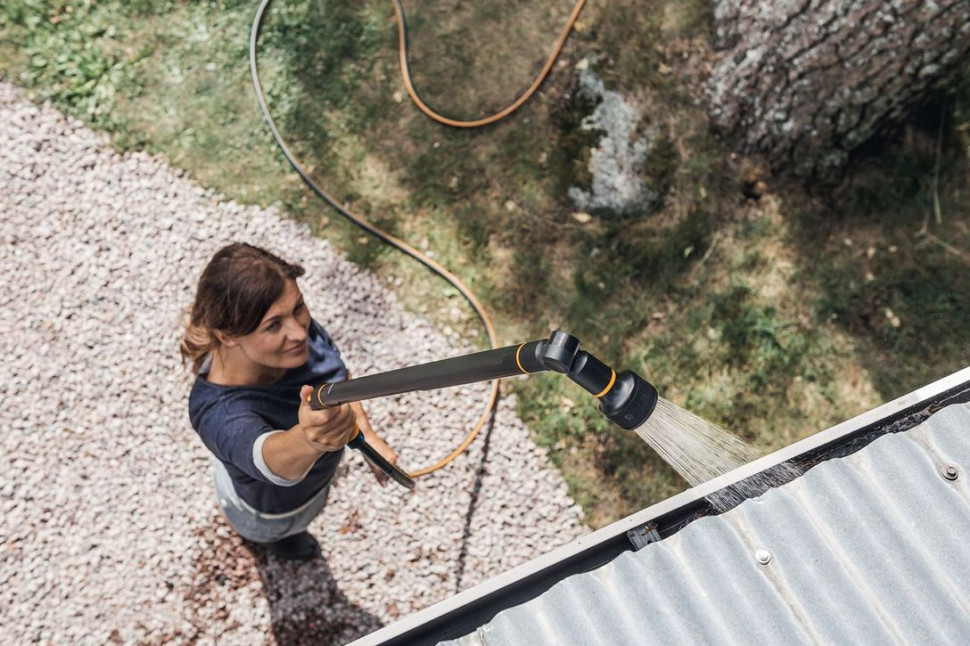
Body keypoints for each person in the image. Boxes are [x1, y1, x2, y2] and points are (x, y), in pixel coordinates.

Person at [181, 242, 398, 560]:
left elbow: (336, 375)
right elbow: (268, 458)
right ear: (227, 337)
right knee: (277, 534)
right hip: (271, 514)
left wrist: (366, 433)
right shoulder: (217, 412)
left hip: (312, 483)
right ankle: (276, 543)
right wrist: (311, 436)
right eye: (273, 325)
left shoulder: (293, 340)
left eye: (298, 307)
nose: (298, 332)